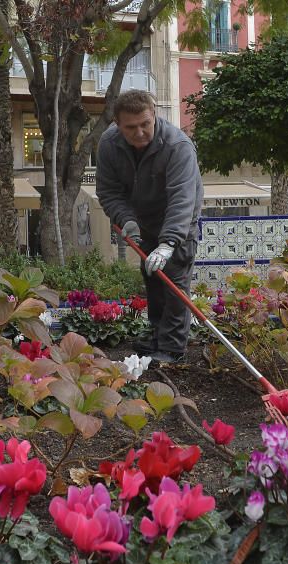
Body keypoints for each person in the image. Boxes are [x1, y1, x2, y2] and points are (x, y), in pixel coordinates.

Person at [96, 90, 204, 364]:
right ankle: (158, 334)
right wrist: (127, 220)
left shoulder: (177, 146)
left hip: (179, 222)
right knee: (153, 278)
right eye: (131, 127)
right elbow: (109, 192)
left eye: (146, 123)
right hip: (142, 223)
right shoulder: (109, 144)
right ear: (118, 125)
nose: (140, 132)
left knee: (174, 282)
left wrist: (169, 242)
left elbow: (182, 198)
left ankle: (172, 347)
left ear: (154, 115)